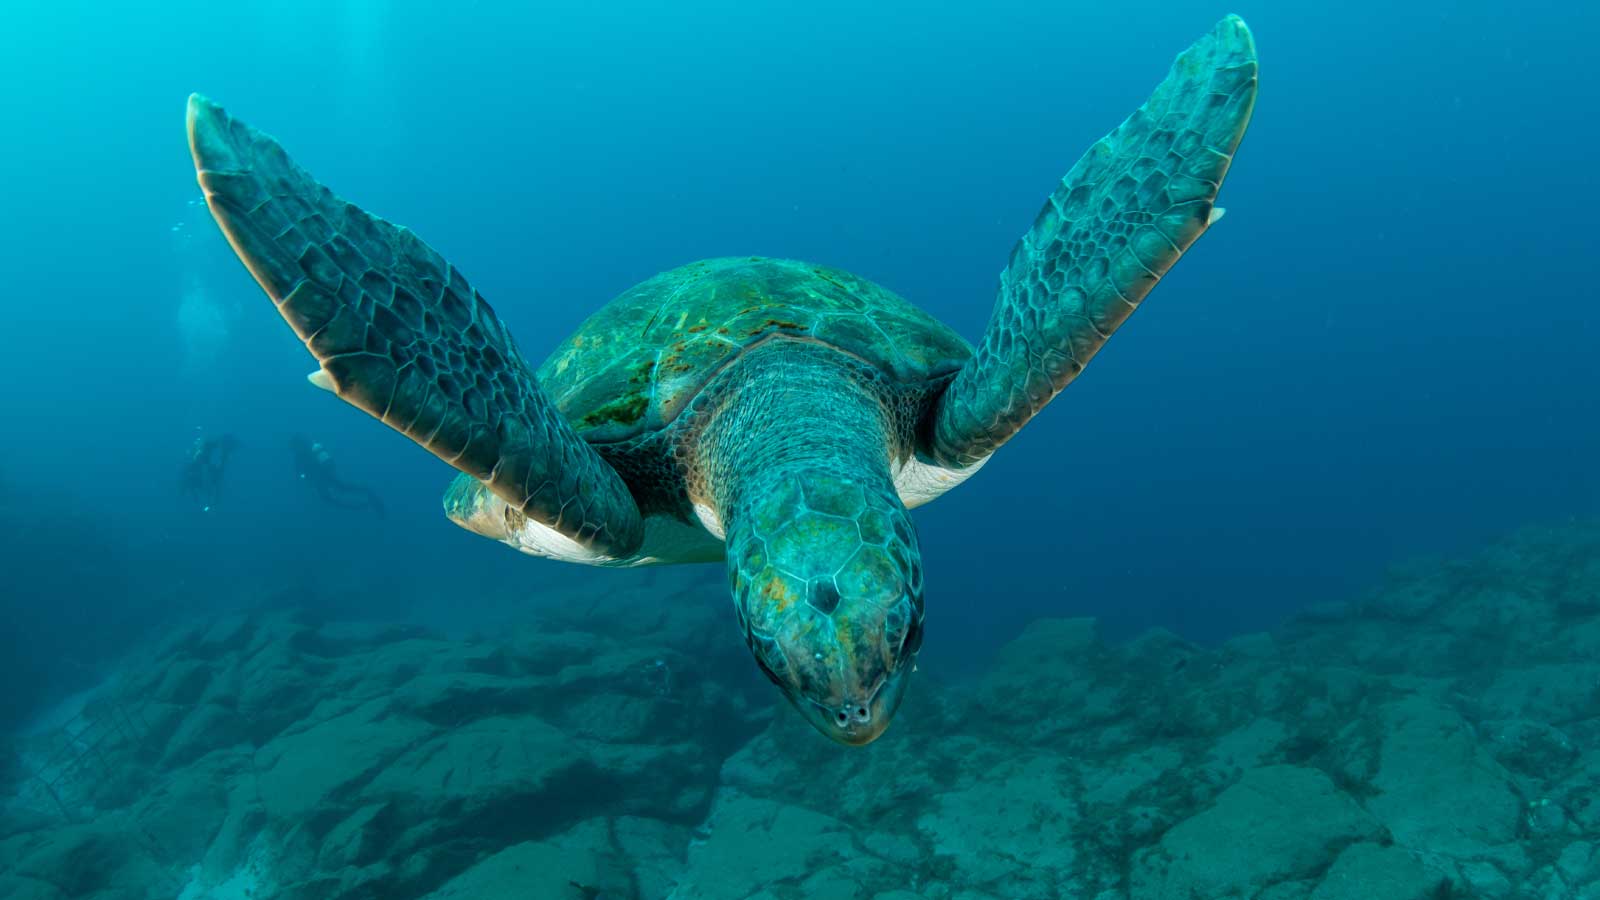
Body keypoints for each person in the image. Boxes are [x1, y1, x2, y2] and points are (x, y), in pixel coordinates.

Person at [289, 434, 386, 517]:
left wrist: (308, 477)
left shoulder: (307, 452)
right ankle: (363, 503)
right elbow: (301, 472)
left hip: (325, 476)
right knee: (335, 493)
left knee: (340, 490)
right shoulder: (302, 455)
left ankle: (364, 500)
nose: (295, 448)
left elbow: (304, 471)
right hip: (322, 477)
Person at [180, 432, 239, 512]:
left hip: (203, 476)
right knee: (217, 475)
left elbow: (193, 489)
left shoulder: (194, 472)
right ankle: (222, 446)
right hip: (203, 477)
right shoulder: (195, 475)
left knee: (216, 475)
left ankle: (221, 446)